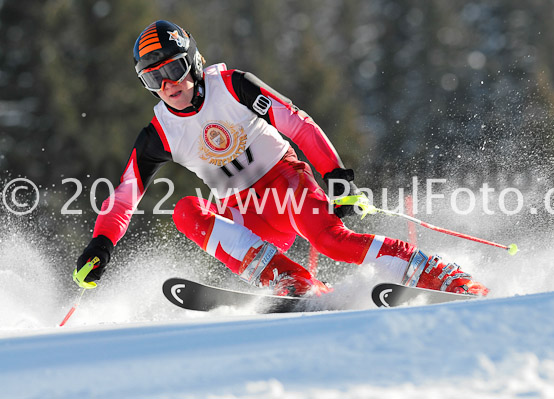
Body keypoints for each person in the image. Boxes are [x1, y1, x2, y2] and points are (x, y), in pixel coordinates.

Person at [75, 20, 489, 297]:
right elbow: (125, 196)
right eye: (154, 78)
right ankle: (294, 281)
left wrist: (339, 181)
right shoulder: (159, 132)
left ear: (194, 62)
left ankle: (441, 276)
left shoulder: (233, 86)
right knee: (185, 210)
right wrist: (101, 244)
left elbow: (300, 126)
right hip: (245, 211)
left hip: (285, 183)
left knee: (331, 241)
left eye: (175, 69)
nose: (168, 84)